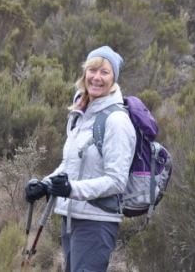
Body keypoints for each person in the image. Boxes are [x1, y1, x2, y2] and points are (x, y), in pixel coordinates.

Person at [25, 46, 136, 272]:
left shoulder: (116, 121)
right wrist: (45, 185)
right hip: (71, 218)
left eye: (105, 72)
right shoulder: (80, 113)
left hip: (97, 222)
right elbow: (69, 165)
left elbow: (116, 181)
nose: (96, 77)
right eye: (92, 70)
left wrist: (71, 189)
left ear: (114, 78)